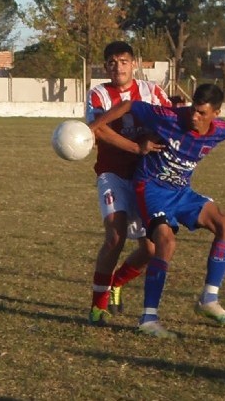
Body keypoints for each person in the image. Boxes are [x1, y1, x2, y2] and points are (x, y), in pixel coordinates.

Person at [90, 83, 225, 338]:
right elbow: (129, 105)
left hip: (181, 191)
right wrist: (93, 128)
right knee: (165, 243)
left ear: (217, 113)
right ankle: (148, 318)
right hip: (151, 189)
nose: (194, 116)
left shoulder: (222, 132)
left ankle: (208, 299)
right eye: (193, 109)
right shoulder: (169, 118)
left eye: (202, 113)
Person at [84, 40, 171, 327]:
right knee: (115, 237)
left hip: (146, 176)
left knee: (151, 249)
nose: (118, 67)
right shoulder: (97, 94)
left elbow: (169, 123)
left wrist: (150, 140)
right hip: (112, 174)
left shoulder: (152, 91)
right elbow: (101, 132)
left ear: (133, 63)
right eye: (112, 62)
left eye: (123, 61)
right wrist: (136, 148)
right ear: (105, 66)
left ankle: (116, 283)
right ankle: (98, 307)